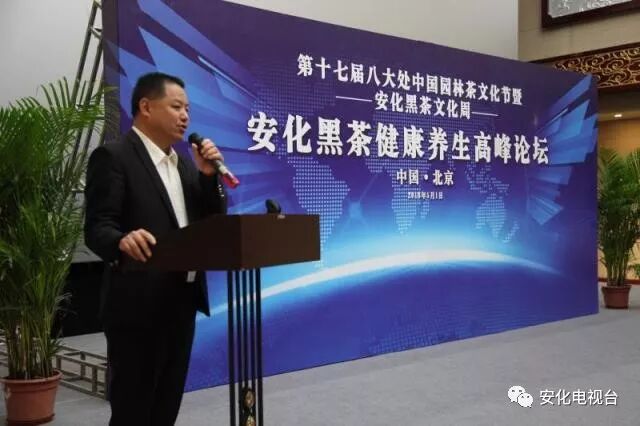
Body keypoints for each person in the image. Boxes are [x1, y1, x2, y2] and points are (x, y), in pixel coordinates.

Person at [84, 72, 227, 425]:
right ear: (146, 107)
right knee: (133, 410)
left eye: (188, 109)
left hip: (181, 302)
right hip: (137, 306)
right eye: (176, 107)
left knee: (166, 407)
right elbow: (97, 227)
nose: (185, 116)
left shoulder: (185, 166)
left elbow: (211, 222)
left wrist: (209, 177)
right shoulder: (113, 157)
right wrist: (121, 240)